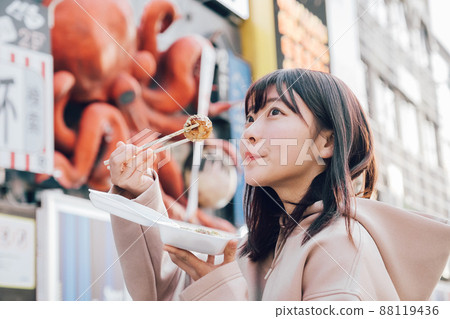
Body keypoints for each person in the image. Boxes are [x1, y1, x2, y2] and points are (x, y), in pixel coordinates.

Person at [108, 69, 450, 301]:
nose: (250, 132)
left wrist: (227, 292)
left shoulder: (343, 247)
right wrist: (137, 194)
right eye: (250, 118)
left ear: (327, 143)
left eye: (275, 113)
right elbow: (162, 296)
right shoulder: (257, 247)